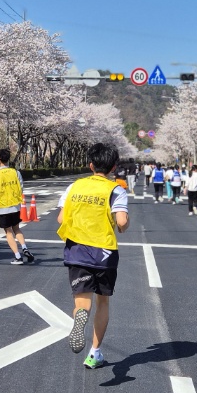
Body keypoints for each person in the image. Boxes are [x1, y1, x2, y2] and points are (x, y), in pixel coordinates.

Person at [57, 141, 130, 369]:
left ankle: (80, 317)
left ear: (90, 165)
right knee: (103, 301)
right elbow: (122, 223)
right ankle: (95, 353)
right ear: (114, 167)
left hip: (77, 249)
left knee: (82, 301)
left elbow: (61, 219)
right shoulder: (116, 190)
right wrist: (122, 223)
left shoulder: (74, 187)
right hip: (104, 253)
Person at [0, 147, 34, 265]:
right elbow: (21, 187)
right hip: (15, 206)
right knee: (17, 228)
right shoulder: (16, 172)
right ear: (8, 159)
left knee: (8, 232)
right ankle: (24, 247)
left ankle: (18, 256)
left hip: (3, 207)